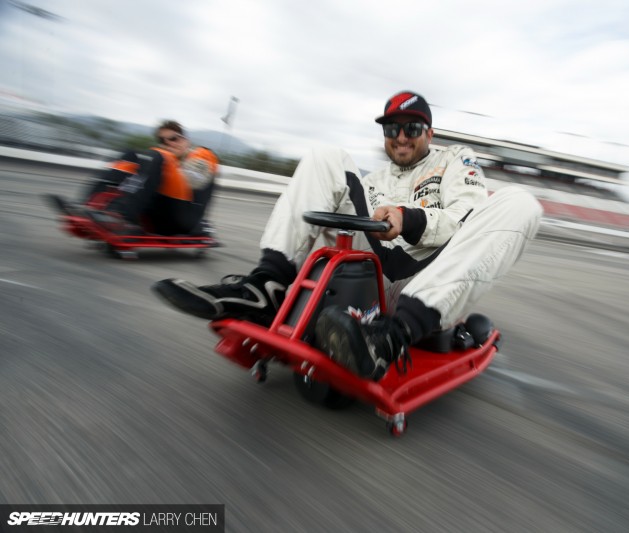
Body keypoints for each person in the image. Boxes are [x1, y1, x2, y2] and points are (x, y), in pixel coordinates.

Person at [153, 91, 542, 381]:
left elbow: (466, 216)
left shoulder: (455, 160)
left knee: (522, 203)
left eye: (411, 128)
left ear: (429, 132)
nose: (401, 136)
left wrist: (409, 219)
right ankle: (266, 287)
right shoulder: (373, 180)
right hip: (370, 279)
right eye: (392, 128)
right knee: (325, 156)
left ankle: (389, 339)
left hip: (430, 282)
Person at [49, 120, 218, 236]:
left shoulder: (201, 155)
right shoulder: (166, 160)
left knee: (156, 156)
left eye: (174, 139)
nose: (169, 144)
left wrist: (171, 161)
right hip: (157, 213)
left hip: (183, 218)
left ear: (186, 140)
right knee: (130, 154)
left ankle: (120, 215)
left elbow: (194, 179)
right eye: (163, 141)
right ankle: (89, 206)